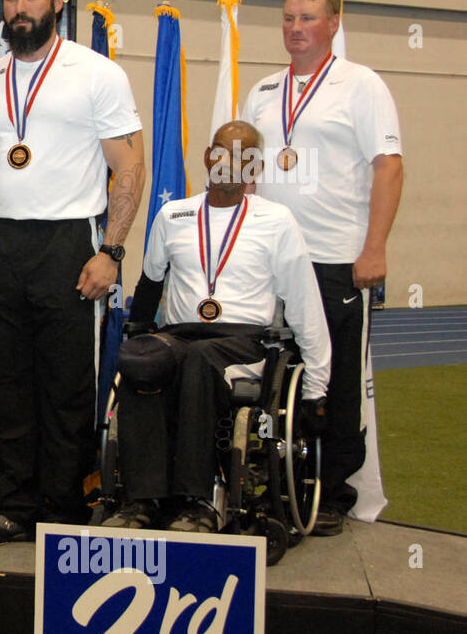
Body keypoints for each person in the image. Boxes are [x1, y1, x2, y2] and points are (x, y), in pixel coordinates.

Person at [0, 0, 147, 547]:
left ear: (58, 2)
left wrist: (110, 251)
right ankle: (16, 506)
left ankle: (63, 509)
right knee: (6, 383)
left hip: (70, 242)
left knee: (65, 385)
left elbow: (129, 165)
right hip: (2, 243)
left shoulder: (96, 73)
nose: (20, 9)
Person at [103, 121, 330, 531]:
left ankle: (199, 499)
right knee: (142, 360)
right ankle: (141, 499)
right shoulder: (174, 214)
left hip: (242, 340)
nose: (233, 162)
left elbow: (303, 304)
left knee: (198, 361)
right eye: (225, 151)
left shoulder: (277, 221)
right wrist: (137, 337)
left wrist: (316, 386)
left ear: (256, 167)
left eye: (246, 155)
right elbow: (151, 284)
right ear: (210, 157)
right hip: (181, 333)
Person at [242, 0, 403, 535]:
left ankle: (331, 490)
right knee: (273, 375)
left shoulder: (362, 86)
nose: (295, 29)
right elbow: (244, 172)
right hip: (269, 261)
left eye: (308, 18)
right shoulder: (262, 91)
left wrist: (374, 247)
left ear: (333, 23)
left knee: (334, 378)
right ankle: (276, 475)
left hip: (336, 259)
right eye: (288, 18)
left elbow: (389, 167)